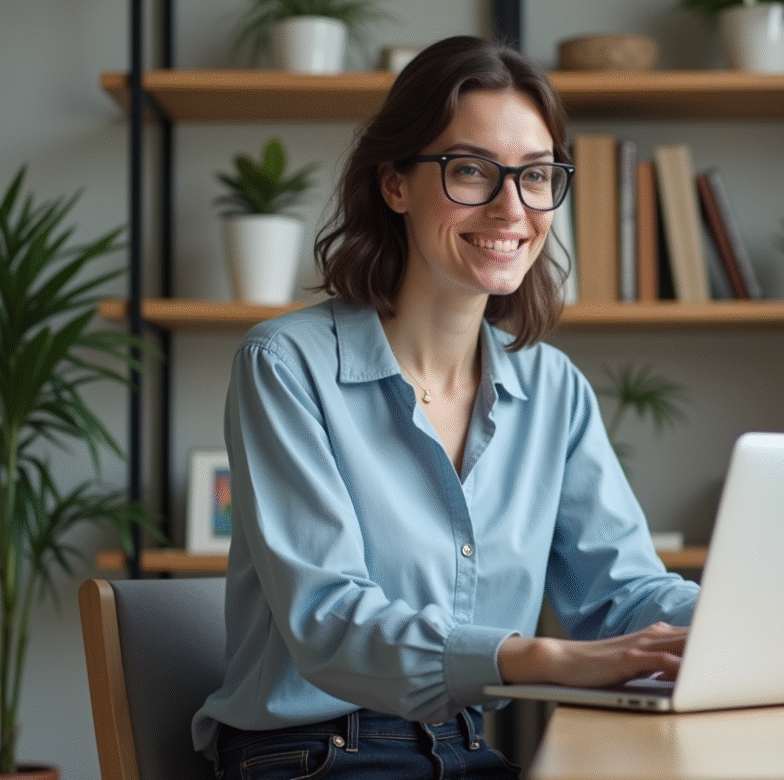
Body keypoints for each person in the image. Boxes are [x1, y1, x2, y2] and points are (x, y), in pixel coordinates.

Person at [192, 35, 700, 780]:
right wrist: (542, 659)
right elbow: (328, 619)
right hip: (311, 757)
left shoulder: (553, 389)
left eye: (536, 176)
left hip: (462, 750)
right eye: (470, 171)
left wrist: (746, 623)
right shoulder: (285, 365)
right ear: (394, 183)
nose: (511, 208)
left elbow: (622, 594)